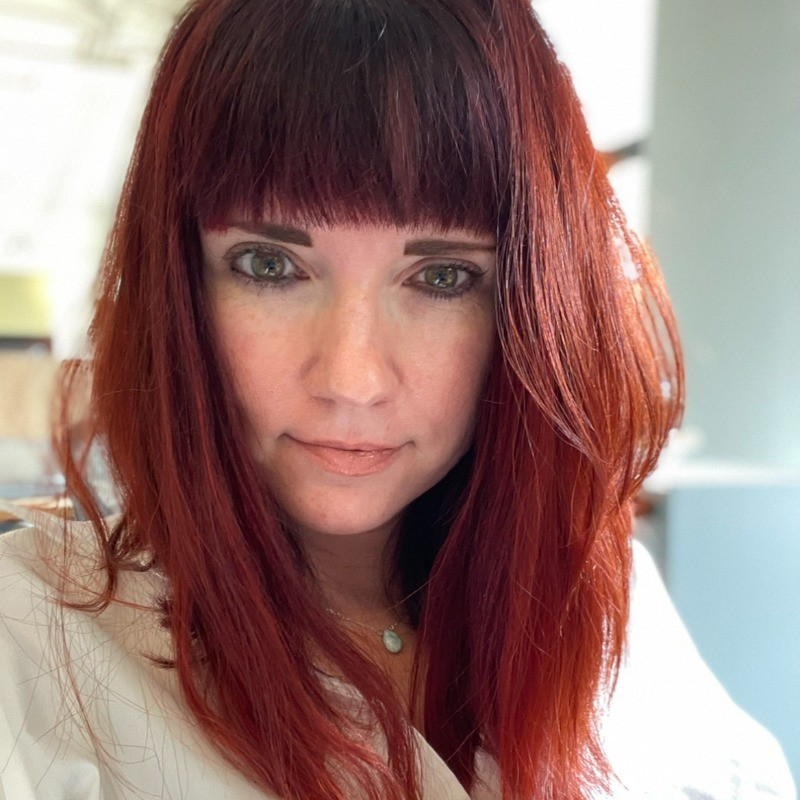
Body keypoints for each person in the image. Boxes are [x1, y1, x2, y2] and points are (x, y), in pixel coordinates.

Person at [0, 0, 795, 798]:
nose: (353, 379)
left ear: (532, 305)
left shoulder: (605, 603)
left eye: (442, 277)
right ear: (178, 284)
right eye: (270, 265)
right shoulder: (32, 639)